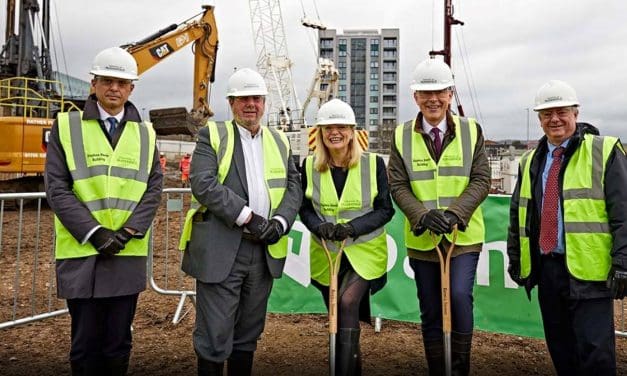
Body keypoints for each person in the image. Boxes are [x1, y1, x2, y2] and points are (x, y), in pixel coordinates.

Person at [44, 47, 163, 375]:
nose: (114, 88)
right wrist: (95, 233)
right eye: (107, 80)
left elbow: (153, 189)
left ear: (131, 89)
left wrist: (127, 231)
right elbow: (57, 188)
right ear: (93, 84)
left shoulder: (146, 133)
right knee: (84, 345)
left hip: (126, 252)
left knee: (118, 344)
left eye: (122, 82)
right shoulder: (67, 127)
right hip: (82, 252)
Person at [178, 67, 302, 376]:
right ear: (231, 103)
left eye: (257, 99)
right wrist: (249, 217)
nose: (251, 105)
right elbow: (203, 184)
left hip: (262, 252)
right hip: (224, 248)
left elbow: (293, 185)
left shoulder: (280, 140)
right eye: (243, 99)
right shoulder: (214, 134)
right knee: (215, 334)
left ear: (264, 102)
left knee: (248, 333)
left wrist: (281, 223)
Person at [507, 80, 627, 375]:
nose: (555, 119)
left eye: (561, 111)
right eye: (547, 114)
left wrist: (623, 262)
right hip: (548, 270)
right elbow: (518, 216)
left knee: (596, 354)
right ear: (539, 118)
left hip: (591, 272)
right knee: (561, 351)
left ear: (576, 112)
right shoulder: (530, 160)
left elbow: (623, 212)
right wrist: (516, 259)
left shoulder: (604, 151)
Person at [387, 58, 490, 376]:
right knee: (431, 309)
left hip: (463, 236)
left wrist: (456, 213)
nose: (433, 98)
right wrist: (422, 216)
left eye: (440, 91)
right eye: (425, 92)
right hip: (423, 237)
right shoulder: (401, 134)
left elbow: (481, 179)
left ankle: (459, 369)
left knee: (459, 297)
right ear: (415, 96)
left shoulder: (471, 131)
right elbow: (398, 184)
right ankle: (438, 368)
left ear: (450, 93)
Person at [299, 99, 394, 375]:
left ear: (352, 131)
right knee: (337, 313)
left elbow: (385, 210)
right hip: (327, 254)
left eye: (341, 127)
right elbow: (304, 208)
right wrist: (318, 226)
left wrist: (353, 227)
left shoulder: (373, 163)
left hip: (366, 253)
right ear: (320, 132)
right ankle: (350, 366)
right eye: (328, 127)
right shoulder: (308, 166)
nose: (334, 133)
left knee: (348, 302)